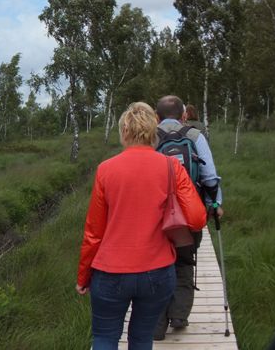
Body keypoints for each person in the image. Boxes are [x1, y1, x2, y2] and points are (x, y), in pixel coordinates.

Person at [77, 102, 206, 349]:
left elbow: (93, 233)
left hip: (110, 272)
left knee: (104, 338)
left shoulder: (105, 169)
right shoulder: (172, 167)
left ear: (124, 131)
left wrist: (83, 276)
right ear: (153, 131)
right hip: (157, 272)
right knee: (142, 338)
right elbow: (198, 218)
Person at [154, 95, 224, 340]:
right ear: (184, 115)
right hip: (189, 212)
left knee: (158, 264)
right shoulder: (195, 136)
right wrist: (214, 204)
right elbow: (209, 177)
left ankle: (156, 325)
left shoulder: (150, 137)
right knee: (184, 261)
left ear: (156, 117)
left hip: (158, 216)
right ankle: (179, 315)